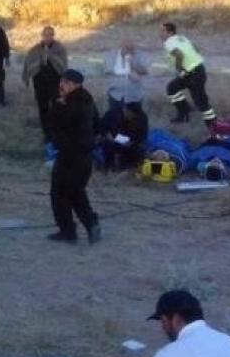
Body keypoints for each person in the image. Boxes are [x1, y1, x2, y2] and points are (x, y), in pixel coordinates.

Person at [47, 69, 101, 244]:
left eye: (67, 82)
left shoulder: (74, 103)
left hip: (72, 154)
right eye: (62, 81)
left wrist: (58, 106)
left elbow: (62, 124)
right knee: (75, 192)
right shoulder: (87, 100)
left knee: (60, 193)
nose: (62, 85)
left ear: (76, 85)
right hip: (81, 156)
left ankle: (69, 231)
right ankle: (90, 224)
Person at [162, 23, 217, 127]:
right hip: (197, 70)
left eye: (162, 31)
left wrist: (180, 68)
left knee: (201, 102)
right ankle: (184, 112)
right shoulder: (182, 38)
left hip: (192, 73)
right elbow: (196, 48)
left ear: (169, 32)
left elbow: (179, 54)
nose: (160, 34)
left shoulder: (169, 42)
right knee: (172, 87)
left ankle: (213, 125)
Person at [23, 26, 68, 142]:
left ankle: (56, 131)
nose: (47, 37)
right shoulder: (35, 49)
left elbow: (63, 65)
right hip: (40, 83)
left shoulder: (60, 48)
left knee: (56, 107)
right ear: (42, 36)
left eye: (50, 35)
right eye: (45, 35)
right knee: (43, 108)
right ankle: (46, 133)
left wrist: (51, 56)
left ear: (53, 36)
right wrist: (29, 73)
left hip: (55, 83)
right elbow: (29, 63)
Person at [102, 39, 149, 130]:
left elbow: (144, 71)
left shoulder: (139, 55)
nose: (130, 51)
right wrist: (126, 72)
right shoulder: (112, 55)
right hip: (116, 94)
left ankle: (134, 138)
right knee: (115, 118)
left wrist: (132, 64)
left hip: (135, 95)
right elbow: (107, 71)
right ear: (121, 48)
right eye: (127, 49)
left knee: (135, 120)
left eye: (132, 49)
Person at [101, 103, 149, 172]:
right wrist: (107, 134)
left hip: (130, 142)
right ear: (125, 109)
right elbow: (102, 126)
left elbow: (142, 136)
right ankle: (108, 167)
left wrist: (133, 142)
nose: (131, 117)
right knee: (107, 144)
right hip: (113, 139)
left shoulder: (142, 118)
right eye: (129, 114)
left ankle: (127, 167)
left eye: (133, 116)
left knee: (139, 152)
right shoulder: (112, 113)